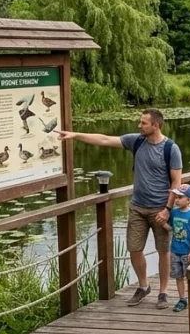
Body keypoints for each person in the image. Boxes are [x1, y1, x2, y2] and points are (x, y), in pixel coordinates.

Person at [59, 109, 181, 308]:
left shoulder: (170, 149)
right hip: (137, 207)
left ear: (155, 126)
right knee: (134, 249)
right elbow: (105, 139)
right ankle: (143, 286)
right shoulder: (137, 141)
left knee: (163, 251)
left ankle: (164, 292)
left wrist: (168, 209)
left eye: (143, 123)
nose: (139, 126)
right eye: (139, 122)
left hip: (160, 208)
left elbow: (177, 182)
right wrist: (75, 135)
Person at [166, 185, 190, 312]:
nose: (177, 200)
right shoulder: (174, 212)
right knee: (178, 276)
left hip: (187, 251)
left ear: (189, 200)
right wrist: (161, 223)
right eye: (176, 197)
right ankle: (182, 299)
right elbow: (170, 228)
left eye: (180, 197)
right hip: (175, 250)